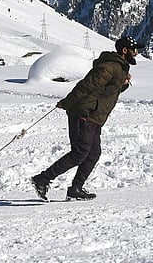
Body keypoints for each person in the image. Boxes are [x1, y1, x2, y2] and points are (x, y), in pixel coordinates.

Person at [30, 36, 141, 201]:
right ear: (125, 51)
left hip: (94, 116)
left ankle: (76, 188)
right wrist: (67, 103)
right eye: (134, 50)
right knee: (80, 153)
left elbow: (108, 93)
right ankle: (42, 179)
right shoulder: (109, 67)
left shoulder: (119, 68)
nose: (137, 53)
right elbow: (85, 86)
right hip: (84, 113)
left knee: (93, 154)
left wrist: (123, 84)